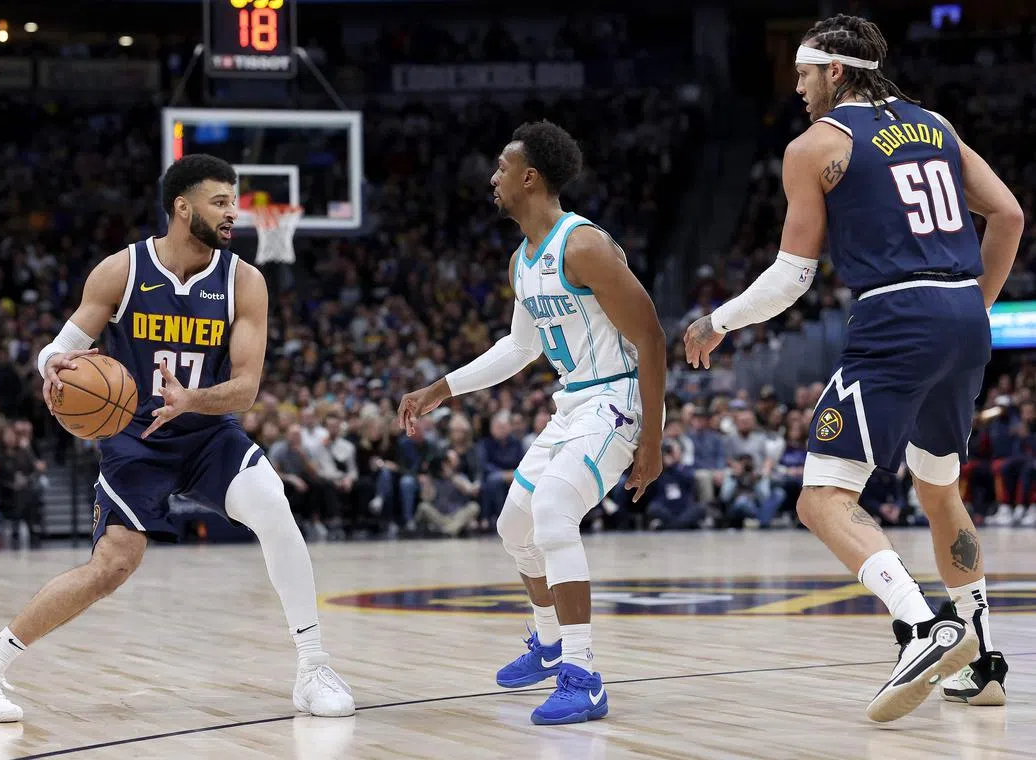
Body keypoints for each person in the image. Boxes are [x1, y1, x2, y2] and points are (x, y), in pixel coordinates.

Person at [683, 15, 1022, 722]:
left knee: (821, 498)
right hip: (963, 315)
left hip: (896, 319)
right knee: (940, 491)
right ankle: (983, 662)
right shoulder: (935, 125)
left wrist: (719, 321)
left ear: (834, 71)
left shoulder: (815, 146)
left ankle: (922, 627)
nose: (798, 87)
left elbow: (792, 277)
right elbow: (1009, 216)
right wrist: (971, 310)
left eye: (804, 73)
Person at [0, 154, 354, 722]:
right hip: (134, 439)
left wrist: (192, 400)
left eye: (234, 202)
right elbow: (57, 350)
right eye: (220, 202)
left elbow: (247, 388)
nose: (232, 213)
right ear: (182, 207)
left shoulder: (244, 281)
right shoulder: (123, 270)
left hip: (208, 435)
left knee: (274, 508)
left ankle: (313, 669)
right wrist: (51, 366)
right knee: (112, 566)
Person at [397, 121, 666, 725]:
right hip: (573, 404)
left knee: (551, 511)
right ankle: (548, 643)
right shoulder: (522, 261)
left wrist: (652, 439)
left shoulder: (584, 245)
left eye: (502, 167)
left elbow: (651, 336)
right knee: (512, 525)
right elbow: (521, 348)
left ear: (530, 177)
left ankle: (583, 675)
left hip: (617, 398)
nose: (493, 178)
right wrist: (442, 388)